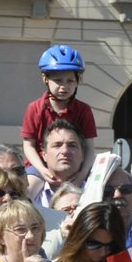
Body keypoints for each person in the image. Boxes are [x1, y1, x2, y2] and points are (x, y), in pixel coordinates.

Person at [21, 45, 96, 204]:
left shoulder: (84, 110)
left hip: (76, 168)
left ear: (78, 81)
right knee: (25, 195)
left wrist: (82, 174)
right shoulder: (34, 108)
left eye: (70, 80)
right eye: (58, 80)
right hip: (39, 167)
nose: (64, 86)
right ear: (45, 79)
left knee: (100, 191)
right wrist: (42, 170)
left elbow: (89, 148)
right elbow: (28, 145)